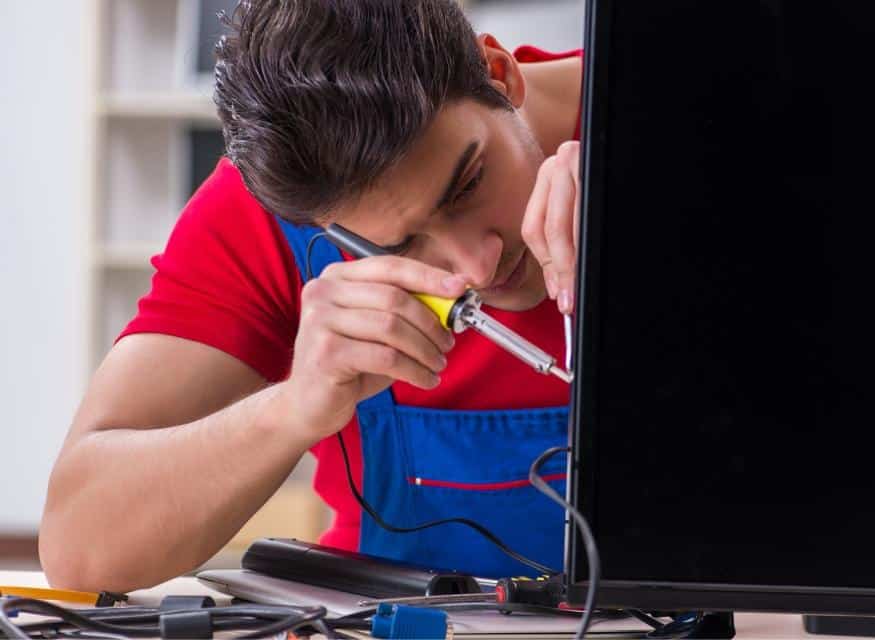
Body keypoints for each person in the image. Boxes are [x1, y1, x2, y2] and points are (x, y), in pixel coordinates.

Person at [40, 0, 584, 592]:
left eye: (468, 184)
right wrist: (292, 408)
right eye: (396, 245)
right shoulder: (281, 209)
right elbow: (80, 545)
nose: (475, 267)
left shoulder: (678, 122)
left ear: (499, 73)